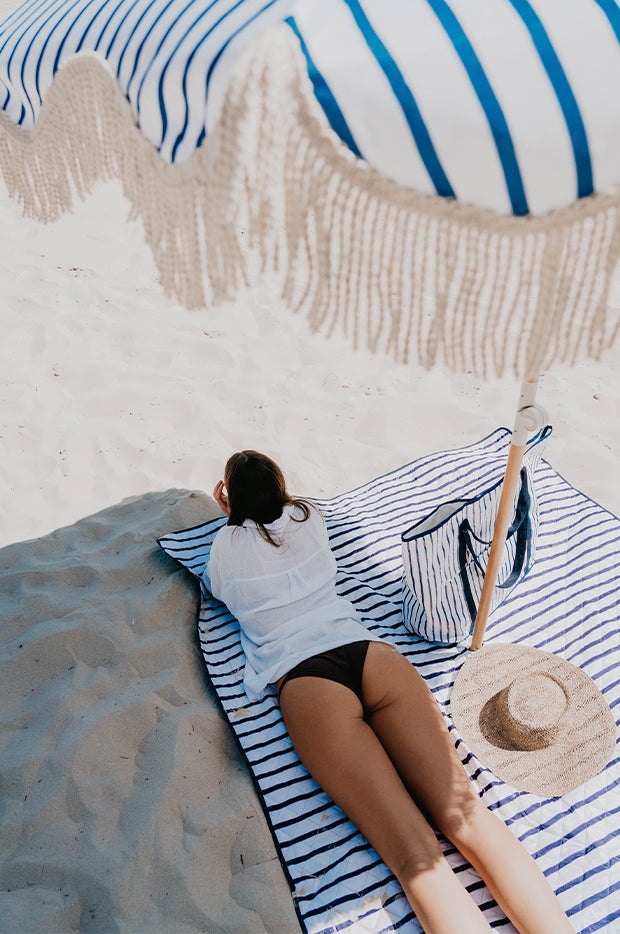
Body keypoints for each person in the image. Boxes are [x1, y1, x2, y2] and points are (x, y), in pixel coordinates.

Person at [205, 450, 574, 934]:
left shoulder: (225, 548)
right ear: (282, 488)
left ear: (229, 497)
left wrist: (228, 517)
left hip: (309, 683)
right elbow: (284, 521)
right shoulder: (308, 516)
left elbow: (218, 589)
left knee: (415, 854)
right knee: (470, 820)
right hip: (373, 656)